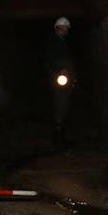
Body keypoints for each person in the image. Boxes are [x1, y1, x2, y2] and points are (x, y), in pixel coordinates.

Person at [44, 17, 75, 145]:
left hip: (64, 78)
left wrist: (72, 75)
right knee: (59, 102)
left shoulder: (63, 43)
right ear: (58, 28)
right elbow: (48, 62)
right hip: (57, 78)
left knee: (64, 103)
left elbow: (68, 61)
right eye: (64, 28)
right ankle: (58, 131)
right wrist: (58, 71)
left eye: (67, 28)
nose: (66, 30)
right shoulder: (52, 43)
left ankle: (61, 129)